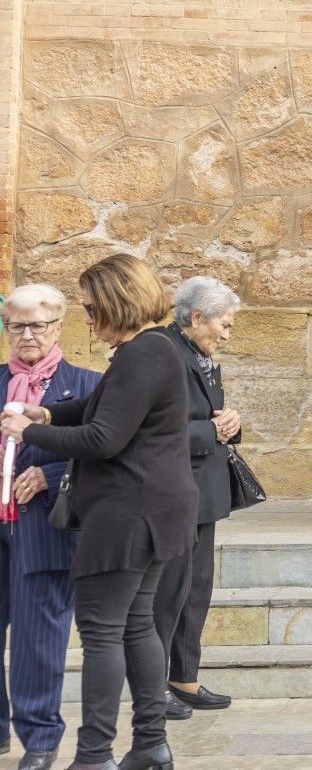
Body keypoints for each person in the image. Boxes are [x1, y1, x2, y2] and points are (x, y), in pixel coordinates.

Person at [2, 253, 197, 770]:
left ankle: (93, 756)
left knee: (104, 632)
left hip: (128, 515)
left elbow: (103, 437)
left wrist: (30, 431)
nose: (88, 320)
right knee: (136, 627)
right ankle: (150, 745)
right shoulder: (154, 350)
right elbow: (100, 410)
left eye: (92, 308)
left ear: (116, 303)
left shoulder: (142, 355)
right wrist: (48, 410)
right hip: (155, 512)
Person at [1, 284, 100, 770]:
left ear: (59, 326)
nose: (26, 335)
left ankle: (39, 739)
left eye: (37, 325)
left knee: (38, 638)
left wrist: (50, 474)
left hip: (47, 526)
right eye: (16, 325)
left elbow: (106, 455)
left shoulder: (87, 385)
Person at [153, 277, 242, 723]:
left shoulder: (200, 355)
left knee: (195, 590)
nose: (226, 336)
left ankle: (184, 678)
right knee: (167, 594)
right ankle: (152, 688)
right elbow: (154, 432)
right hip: (174, 491)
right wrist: (212, 429)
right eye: (223, 326)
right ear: (196, 318)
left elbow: (208, 416)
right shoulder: (164, 354)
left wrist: (231, 422)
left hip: (203, 491)